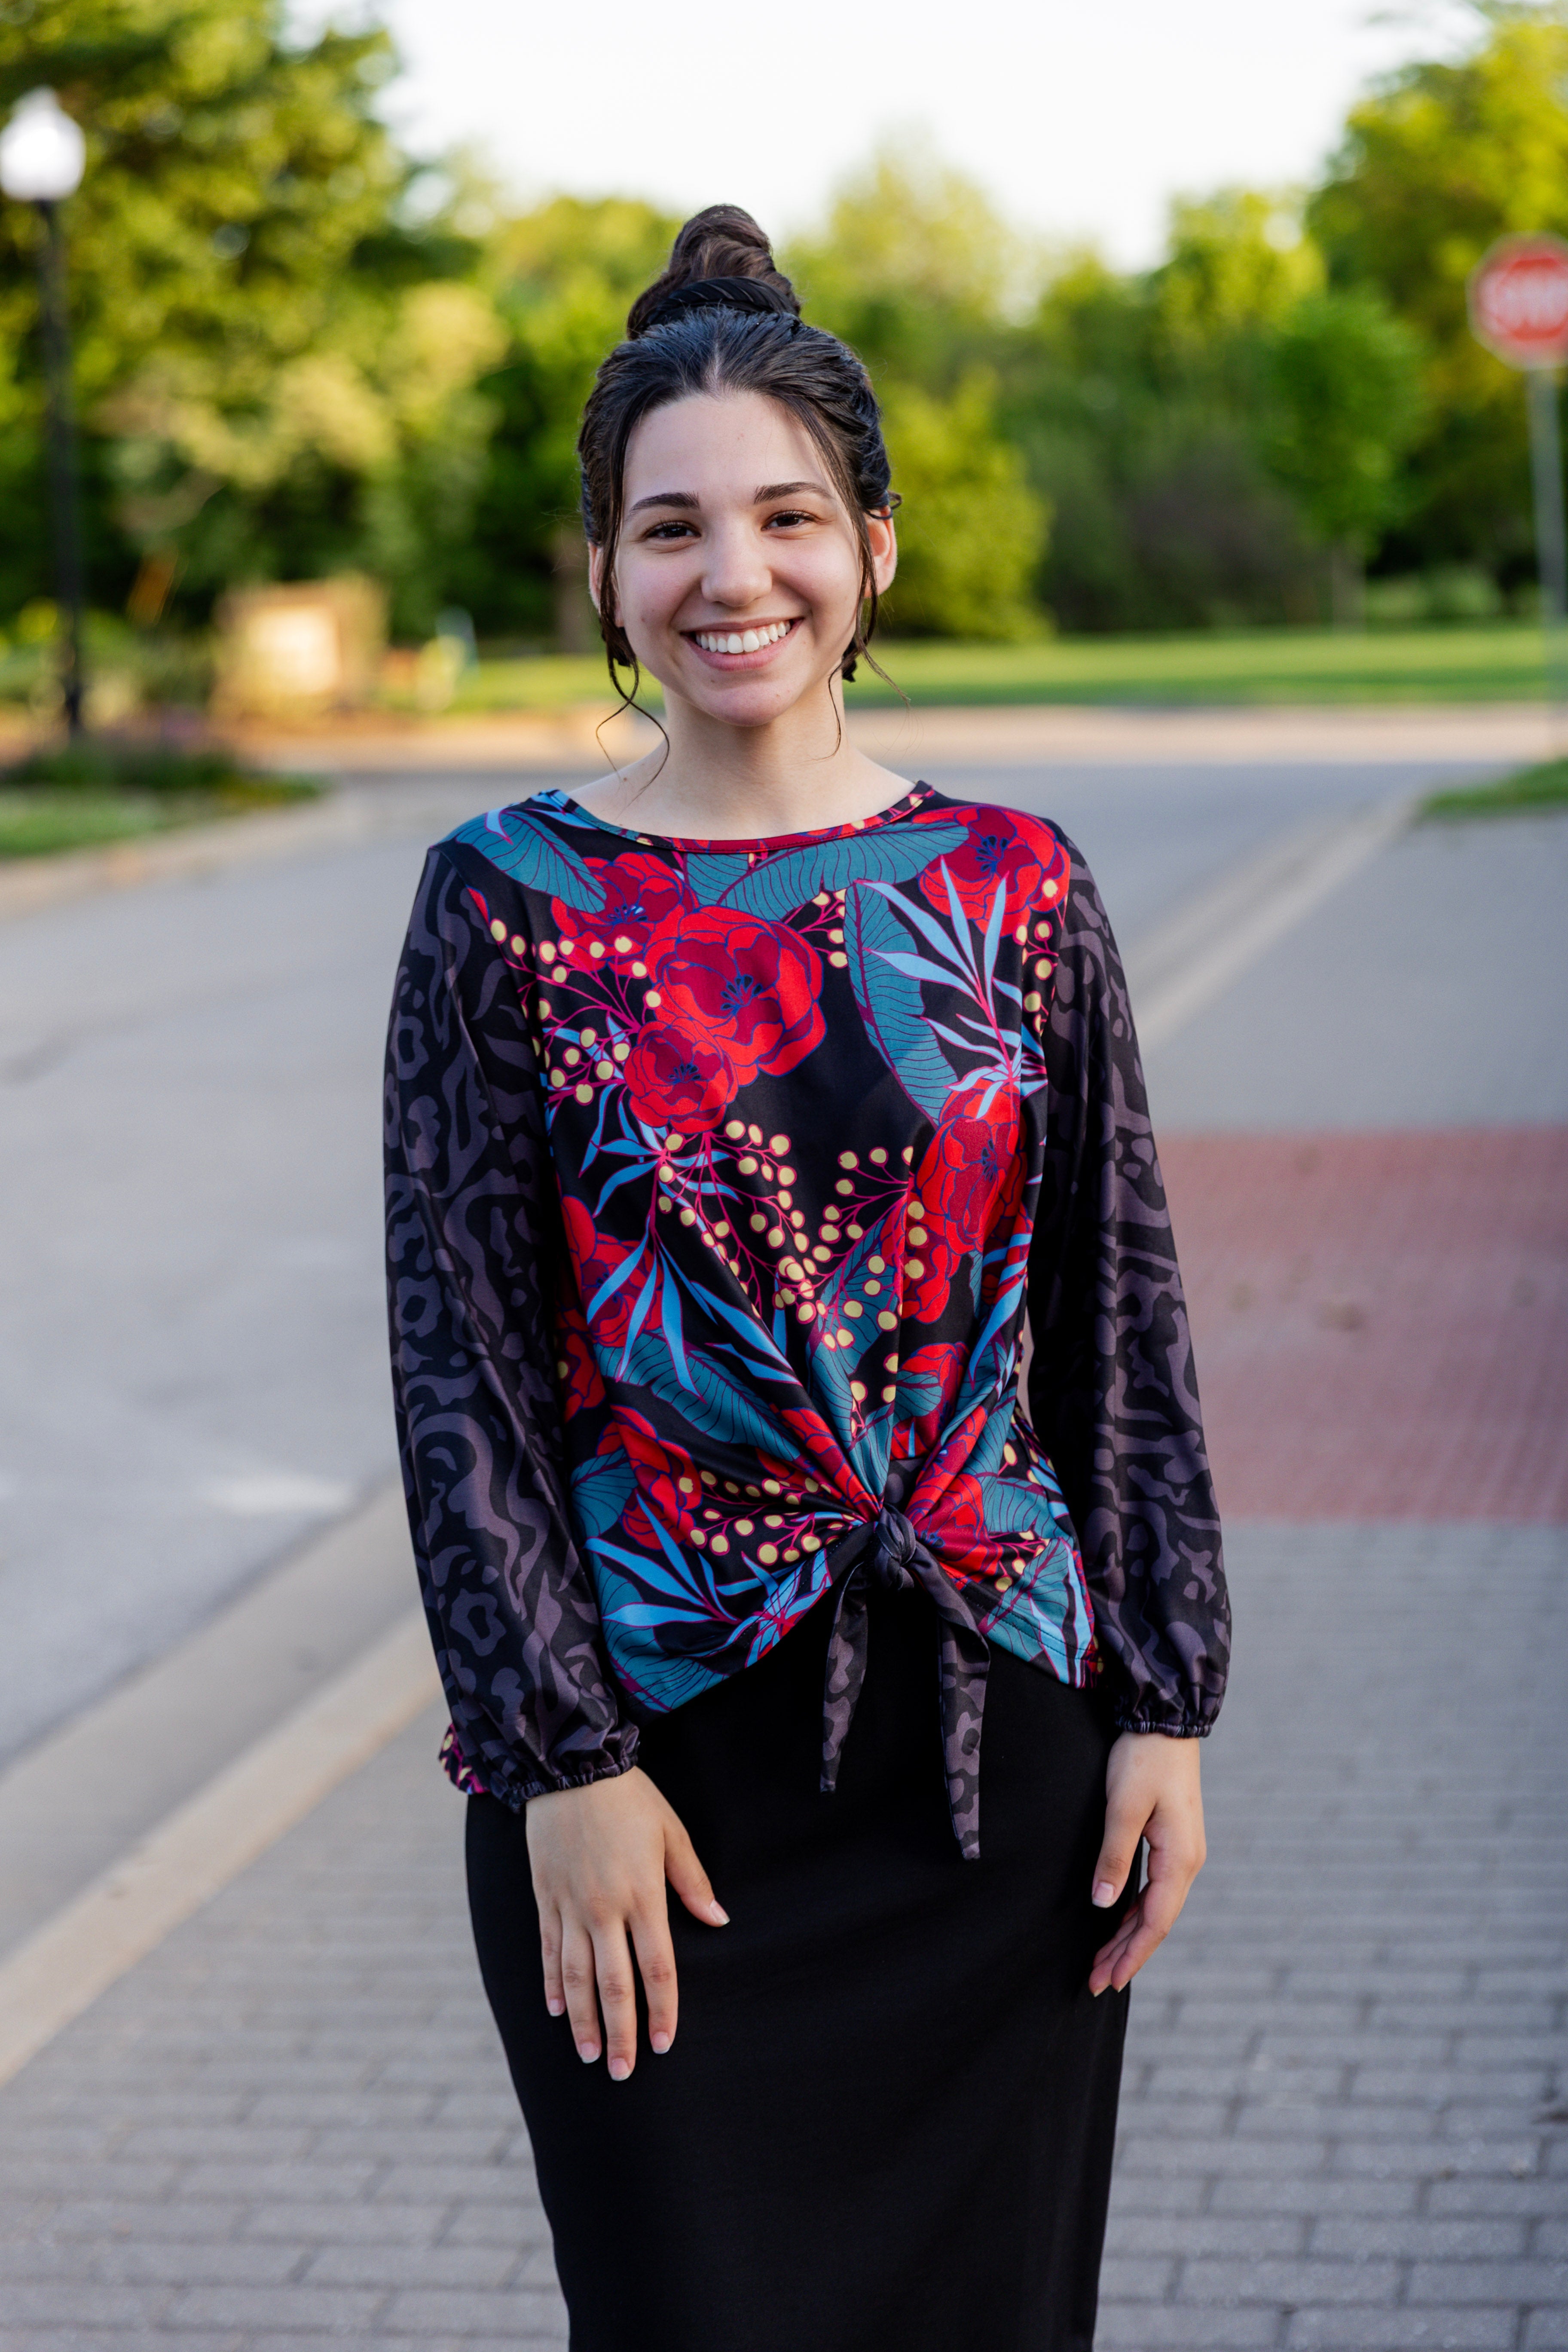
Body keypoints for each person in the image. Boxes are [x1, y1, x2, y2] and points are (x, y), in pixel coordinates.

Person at [385, 205, 1229, 2352]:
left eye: (781, 516)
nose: (728, 576)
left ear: (869, 545)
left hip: (994, 1765)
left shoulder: (1012, 882)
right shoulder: (506, 907)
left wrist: (1164, 1706)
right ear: (603, 575)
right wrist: (555, 1769)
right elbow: (464, 1373)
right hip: (650, 1782)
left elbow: (1111, 1322)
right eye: (668, 528)